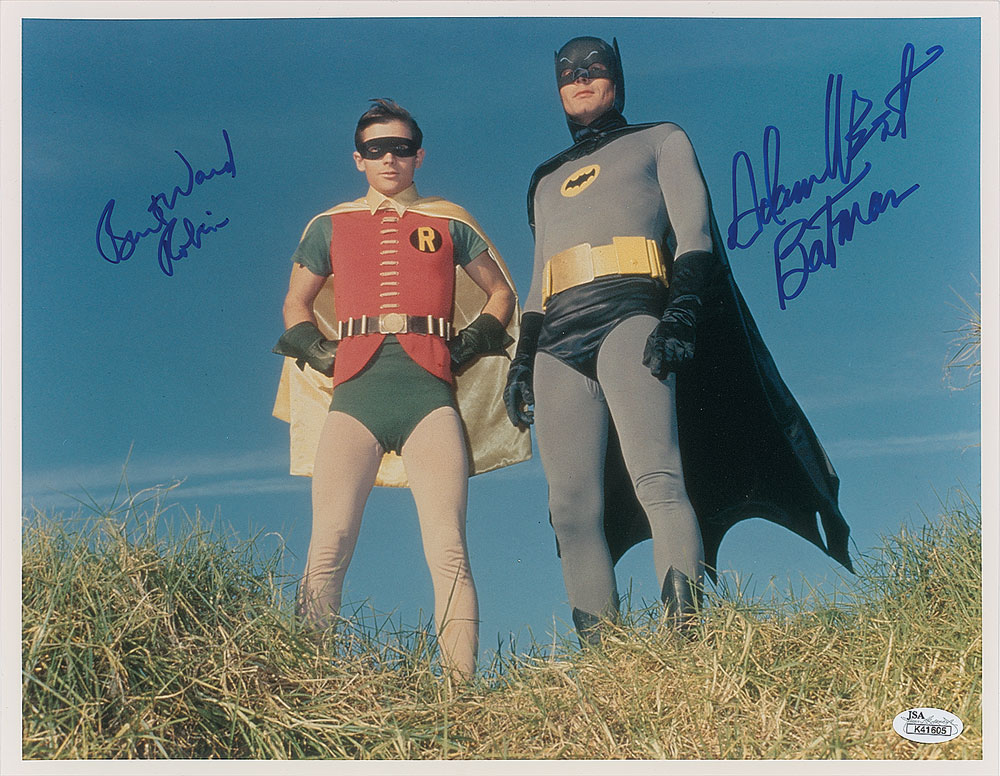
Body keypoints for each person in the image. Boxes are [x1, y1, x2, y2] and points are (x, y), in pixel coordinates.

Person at [504, 37, 853, 646]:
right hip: (557, 334)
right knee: (569, 507)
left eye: (594, 67)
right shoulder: (545, 179)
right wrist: (521, 358)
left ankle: (682, 643)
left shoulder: (661, 139)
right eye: (567, 72)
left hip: (631, 311)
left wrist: (683, 311)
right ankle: (605, 663)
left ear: (616, 78)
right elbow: (537, 280)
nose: (580, 78)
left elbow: (695, 233)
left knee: (658, 477)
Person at [272, 98, 529, 680]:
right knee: (328, 544)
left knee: (449, 549)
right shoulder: (328, 225)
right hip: (354, 397)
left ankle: (461, 694)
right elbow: (295, 302)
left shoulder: (450, 221)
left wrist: (469, 343)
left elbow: (503, 294)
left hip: (430, 398)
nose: (389, 159)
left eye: (401, 148)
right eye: (376, 149)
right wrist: (316, 350)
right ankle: (305, 683)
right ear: (358, 159)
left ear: (419, 156)